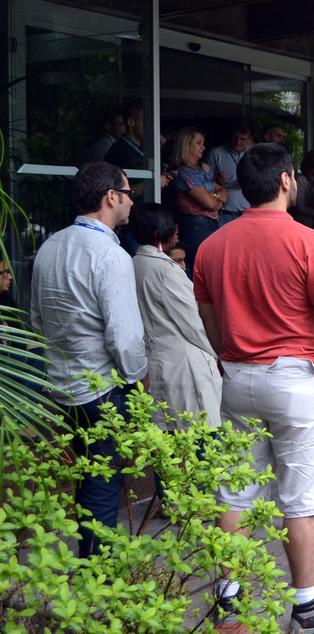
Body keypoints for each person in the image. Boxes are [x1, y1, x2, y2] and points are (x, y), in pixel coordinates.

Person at [193, 143, 314, 631]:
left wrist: (231, 356)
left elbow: (208, 319)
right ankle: (308, 604)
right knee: (302, 498)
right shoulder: (309, 241)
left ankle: (228, 605)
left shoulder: (211, 245)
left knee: (234, 494)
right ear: (287, 181)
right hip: (294, 377)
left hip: (236, 376)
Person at [30, 161, 148, 557]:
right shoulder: (110, 256)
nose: (132, 202)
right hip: (102, 390)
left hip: (60, 387)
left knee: (86, 478)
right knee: (102, 483)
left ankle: (88, 566)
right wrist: (137, 380)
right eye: (129, 193)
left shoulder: (49, 246)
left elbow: (36, 319)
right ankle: (97, 574)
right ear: (111, 197)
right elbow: (125, 337)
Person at [129, 203, 221, 430]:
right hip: (185, 368)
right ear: (162, 231)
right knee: (202, 444)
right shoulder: (166, 270)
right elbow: (196, 323)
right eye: (174, 228)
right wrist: (219, 352)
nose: (177, 231)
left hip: (157, 364)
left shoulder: (134, 263)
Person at [170, 127, 226, 275]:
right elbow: (210, 204)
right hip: (195, 226)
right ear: (186, 145)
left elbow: (224, 192)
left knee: (211, 268)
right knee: (200, 269)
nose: (203, 147)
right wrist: (216, 199)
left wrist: (214, 198)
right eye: (198, 143)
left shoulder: (201, 170)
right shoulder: (183, 173)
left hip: (211, 223)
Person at [206, 121, 253, 226]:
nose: (237, 142)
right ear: (230, 135)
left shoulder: (253, 153)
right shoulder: (215, 153)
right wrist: (217, 181)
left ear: (249, 139)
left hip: (249, 213)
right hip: (224, 213)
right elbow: (204, 184)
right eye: (235, 137)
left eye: (243, 139)